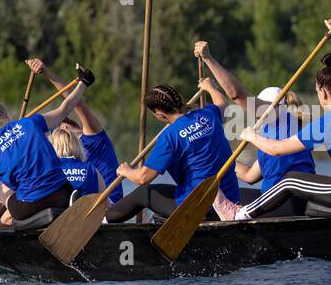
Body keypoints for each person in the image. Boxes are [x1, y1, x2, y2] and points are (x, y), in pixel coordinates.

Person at [220, 19, 331, 220]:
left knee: (288, 181)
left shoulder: (325, 124)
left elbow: (276, 149)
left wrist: (252, 136)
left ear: (322, 92)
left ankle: (239, 214)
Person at [0, 63, 93, 229]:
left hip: (27, 208)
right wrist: (83, 83)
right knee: (23, 187)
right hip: (61, 194)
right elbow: (64, 109)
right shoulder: (30, 123)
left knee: (1, 193)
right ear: (5, 114)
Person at [194, 40, 316, 217]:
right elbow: (251, 176)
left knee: (221, 200)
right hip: (280, 200)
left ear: (275, 106)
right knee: (229, 195)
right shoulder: (272, 132)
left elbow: (236, 95)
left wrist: (208, 59)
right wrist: (218, 161)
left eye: (262, 106)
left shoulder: (280, 116)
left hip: (287, 203)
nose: (257, 112)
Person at [103, 77, 240, 223]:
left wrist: (126, 171)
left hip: (199, 207)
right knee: (177, 188)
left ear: (159, 114)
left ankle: (104, 220)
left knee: (144, 193)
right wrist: (210, 87)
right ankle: (154, 218)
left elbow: (143, 178)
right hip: (231, 198)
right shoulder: (207, 115)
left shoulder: (169, 137)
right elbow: (223, 104)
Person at [29, 57, 123, 204]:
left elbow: (76, 103)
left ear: (73, 127)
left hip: (108, 204)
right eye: (57, 132)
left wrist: (47, 73)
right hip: (78, 206)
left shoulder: (94, 139)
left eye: (64, 127)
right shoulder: (61, 160)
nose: (62, 131)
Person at [48, 120, 104, 198]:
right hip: (88, 207)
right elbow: (105, 203)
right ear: (77, 145)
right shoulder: (92, 169)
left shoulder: (49, 171)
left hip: (61, 208)